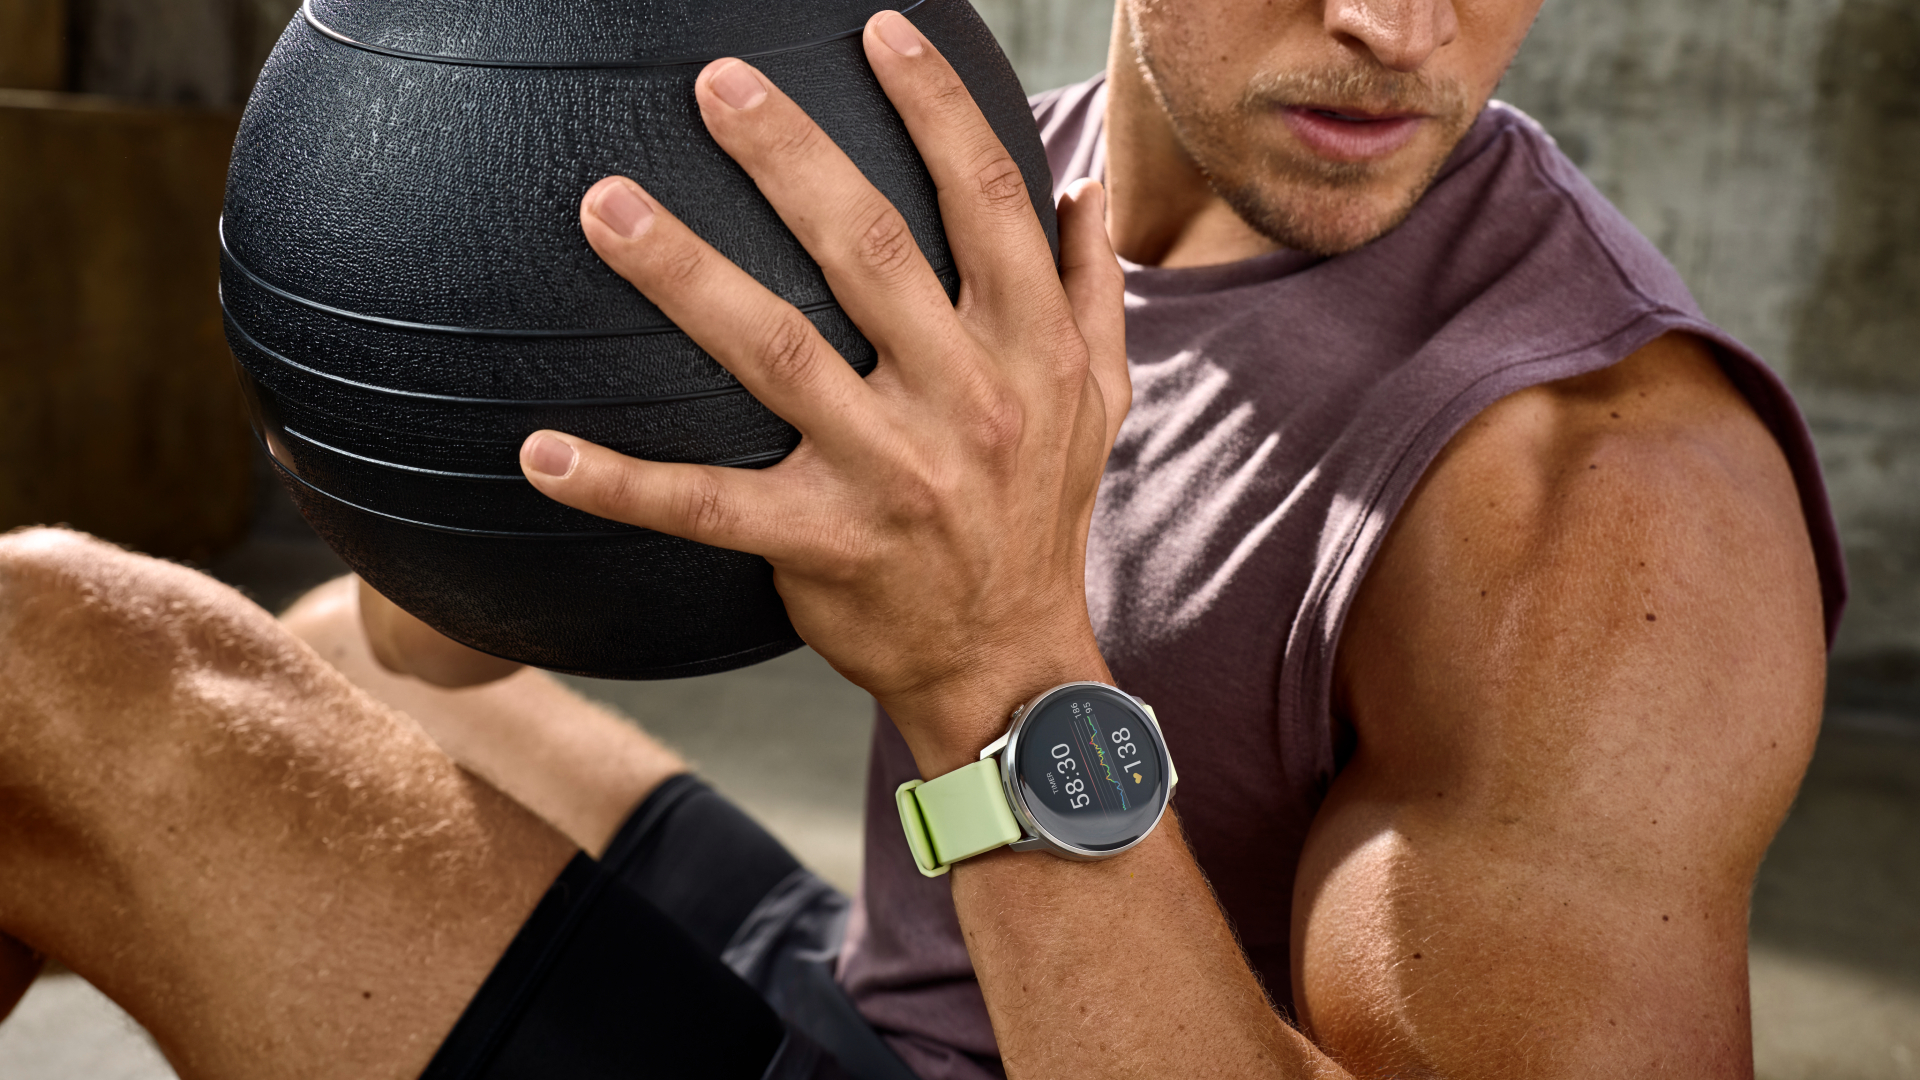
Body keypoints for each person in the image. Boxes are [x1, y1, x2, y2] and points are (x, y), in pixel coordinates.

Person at [0, 0, 1844, 1078]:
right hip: (894, 987)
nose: (1398, 21)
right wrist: (440, 461)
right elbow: (438, 642)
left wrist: (993, 663)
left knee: (38, 658)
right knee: (321, 652)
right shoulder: (959, 196)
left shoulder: (1607, 504)